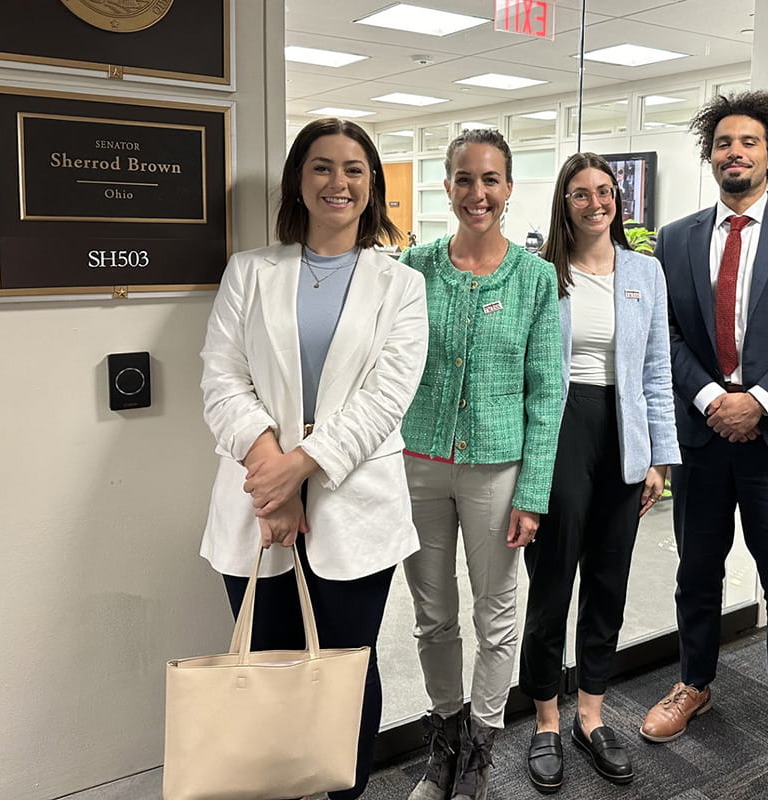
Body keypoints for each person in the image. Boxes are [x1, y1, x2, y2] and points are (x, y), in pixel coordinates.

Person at [198, 117, 428, 799]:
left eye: (355, 169)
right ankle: (274, 786)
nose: (339, 182)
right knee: (266, 667)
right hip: (255, 497)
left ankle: (342, 792)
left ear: (373, 186)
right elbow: (220, 377)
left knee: (344, 673)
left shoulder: (400, 283)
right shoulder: (250, 271)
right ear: (300, 181)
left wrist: (300, 467)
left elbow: (388, 397)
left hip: (355, 503)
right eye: (323, 166)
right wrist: (272, 470)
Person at [641, 91, 768, 789]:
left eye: (750, 142)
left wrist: (757, 401)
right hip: (704, 438)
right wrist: (710, 398)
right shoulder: (673, 239)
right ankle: (694, 683)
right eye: (724, 142)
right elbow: (663, 334)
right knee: (695, 573)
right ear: (710, 155)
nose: (736, 152)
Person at [399, 128, 563, 800]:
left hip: (498, 470)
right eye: (465, 179)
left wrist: (534, 492)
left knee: (496, 615)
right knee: (432, 614)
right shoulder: (413, 267)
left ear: (509, 187)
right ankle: (444, 740)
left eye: (490, 179)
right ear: (447, 186)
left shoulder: (535, 278)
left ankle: (479, 755)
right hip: (417, 466)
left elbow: (547, 391)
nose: (478, 193)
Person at [519, 153, 680, 794]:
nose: (596, 202)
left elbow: (657, 372)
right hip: (562, 430)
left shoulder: (646, 270)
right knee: (552, 581)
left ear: (619, 200)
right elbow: (528, 373)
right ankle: (546, 722)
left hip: (625, 431)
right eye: (582, 193)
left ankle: (591, 715)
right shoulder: (540, 274)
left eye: (606, 192)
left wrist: (659, 458)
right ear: (564, 203)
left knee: (609, 580)